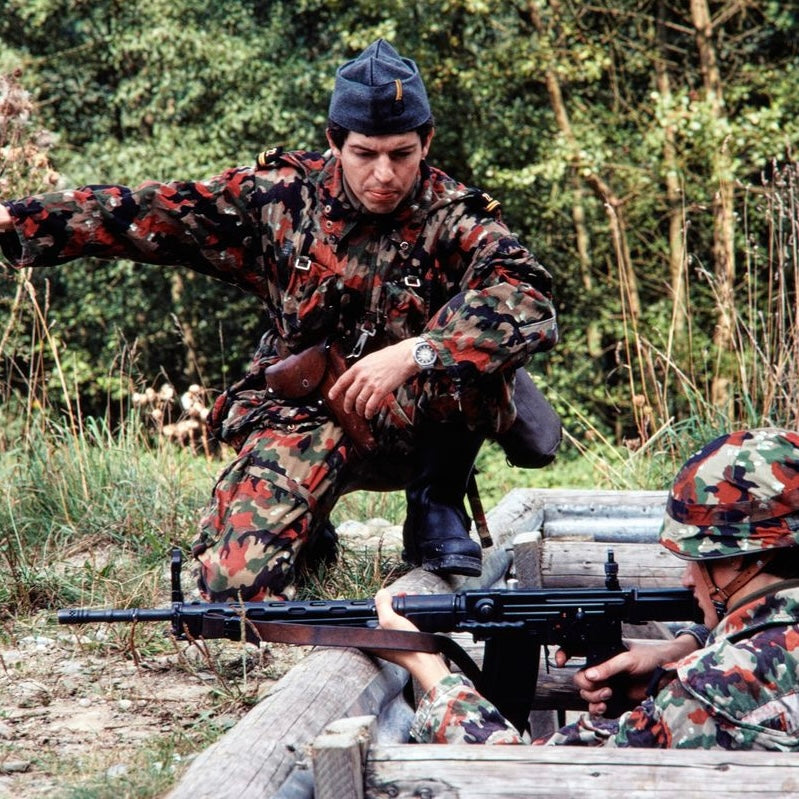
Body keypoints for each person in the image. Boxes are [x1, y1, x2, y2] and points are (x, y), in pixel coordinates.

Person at [0, 40, 560, 601]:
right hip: (307, 411)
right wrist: (21, 221)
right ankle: (309, 527)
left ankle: (435, 505)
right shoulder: (281, 199)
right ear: (334, 142)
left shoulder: (454, 216)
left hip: (418, 422)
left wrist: (417, 350)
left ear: (426, 143)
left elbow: (527, 295)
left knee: (467, 353)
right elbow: (154, 212)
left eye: (402, 153)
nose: (384, 174)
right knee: (238, 584)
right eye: (365, 153)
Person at [375, 427, 799, 749]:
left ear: (742, 558)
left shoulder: (712, 690)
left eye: (696, 559)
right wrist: (679, 652)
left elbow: (528, 782)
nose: (688, 579)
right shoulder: (734, 667)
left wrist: (431, 674)